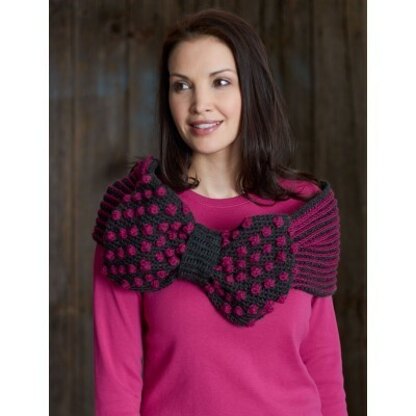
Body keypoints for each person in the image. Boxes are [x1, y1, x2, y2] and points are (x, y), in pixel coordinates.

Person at [92, 8, 348, 416]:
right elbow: (116, 384)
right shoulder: (138, 216)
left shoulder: (304, 212)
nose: (200, 104)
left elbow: (323, 366)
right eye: (182, 86)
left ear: (251, 89)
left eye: (220, 82)